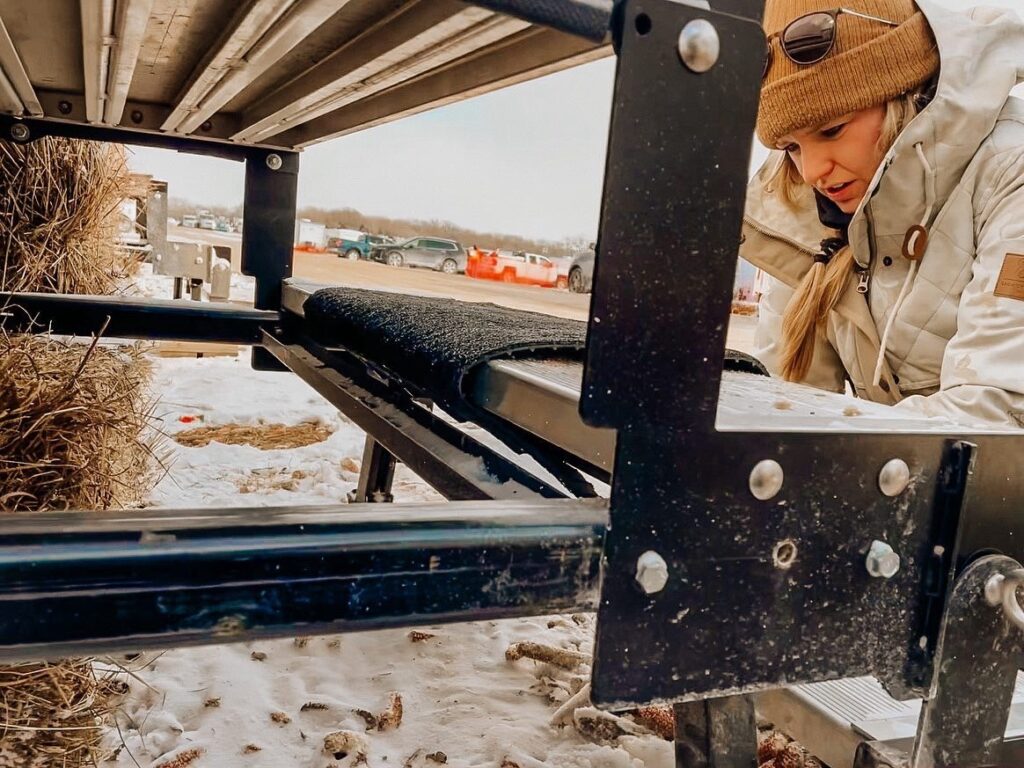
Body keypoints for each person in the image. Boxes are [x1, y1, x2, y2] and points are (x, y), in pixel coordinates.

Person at [740, 0, 1024, 428]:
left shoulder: (1011, 175)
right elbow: (784, 402)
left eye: (832, 129)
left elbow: (997, 411)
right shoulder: (810, 213)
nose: (814, 171)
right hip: (909, 484)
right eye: (792, 148)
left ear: (906, 94)